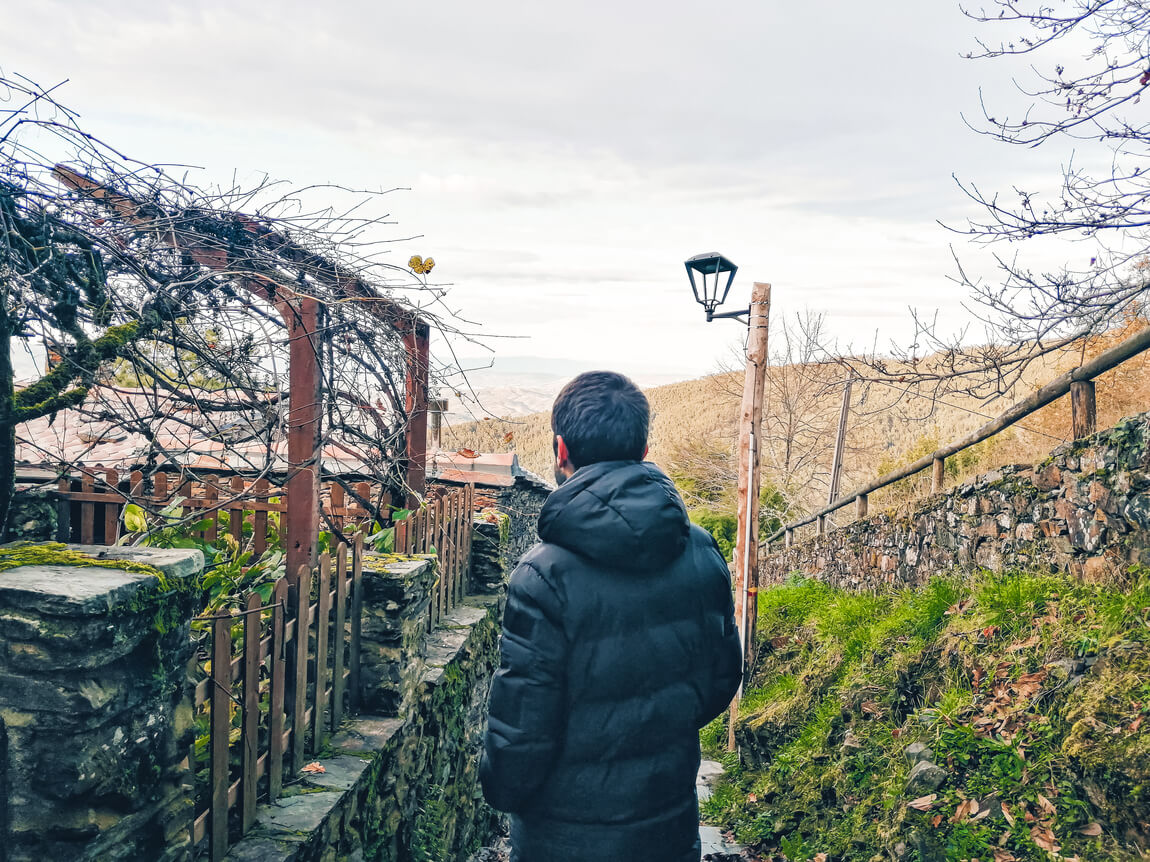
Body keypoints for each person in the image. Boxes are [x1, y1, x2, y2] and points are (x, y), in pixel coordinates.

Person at [480, 370, 743, 862]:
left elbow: (523, 724)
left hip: (562, 835)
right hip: (665, 820)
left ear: (561, 451)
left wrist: (504, 791)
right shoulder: (702, 550)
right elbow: (721, 678)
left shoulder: (542, 575)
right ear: (644, 450)